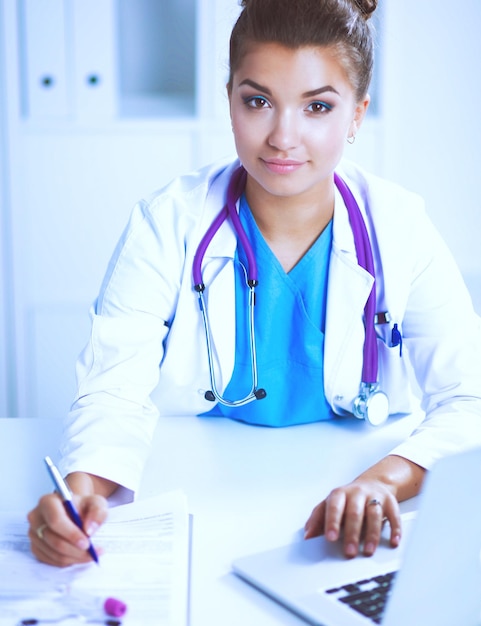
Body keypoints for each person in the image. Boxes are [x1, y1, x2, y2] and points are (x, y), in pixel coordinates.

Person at [28, 0, 481, 567]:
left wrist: (382, 482)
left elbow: (469, 396)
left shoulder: (400, 228)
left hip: (336, 503)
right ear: (230, 101)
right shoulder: (167, 223)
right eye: (259, 101)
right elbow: (112, 388)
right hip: (204, 496)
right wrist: (82, 497)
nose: (283, 137)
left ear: (357, 115)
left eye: (318, 106)